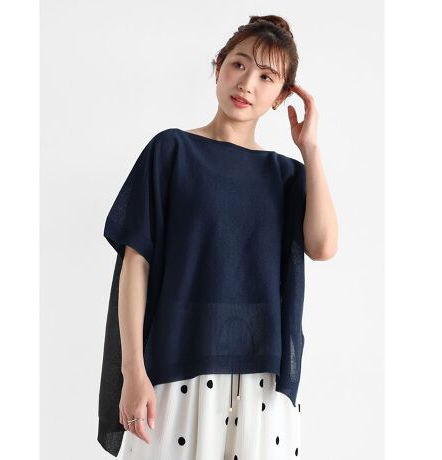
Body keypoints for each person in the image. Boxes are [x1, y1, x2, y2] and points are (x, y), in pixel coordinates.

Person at [97, 14, 338, 459]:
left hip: (263, 378)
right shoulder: (172, 151)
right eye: (238, 65)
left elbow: (323, 247)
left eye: (266, 77)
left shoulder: (286, 176)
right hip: (177, 365)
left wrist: (310, 148)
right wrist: (133, 371)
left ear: (281, 96)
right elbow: (136, 264)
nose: (246, 84)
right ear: (219, 67)